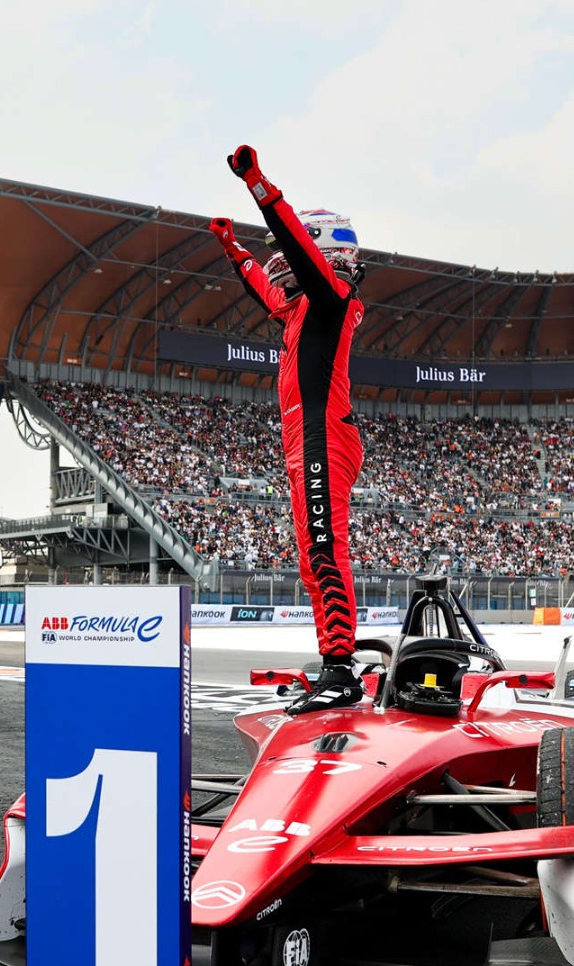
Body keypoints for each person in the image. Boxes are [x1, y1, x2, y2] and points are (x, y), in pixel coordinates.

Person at [210, 144, 367, 712]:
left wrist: (257, 183)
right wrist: (234, 250)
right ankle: (333, 661)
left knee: (325, 550)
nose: (279, 262)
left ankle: (341, 671)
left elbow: (295, 247)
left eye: (288, 255)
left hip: (324, 436)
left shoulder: (332, 299)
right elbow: (265, 288)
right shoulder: (301, 310)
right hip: (308, 440)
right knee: (310, 558)